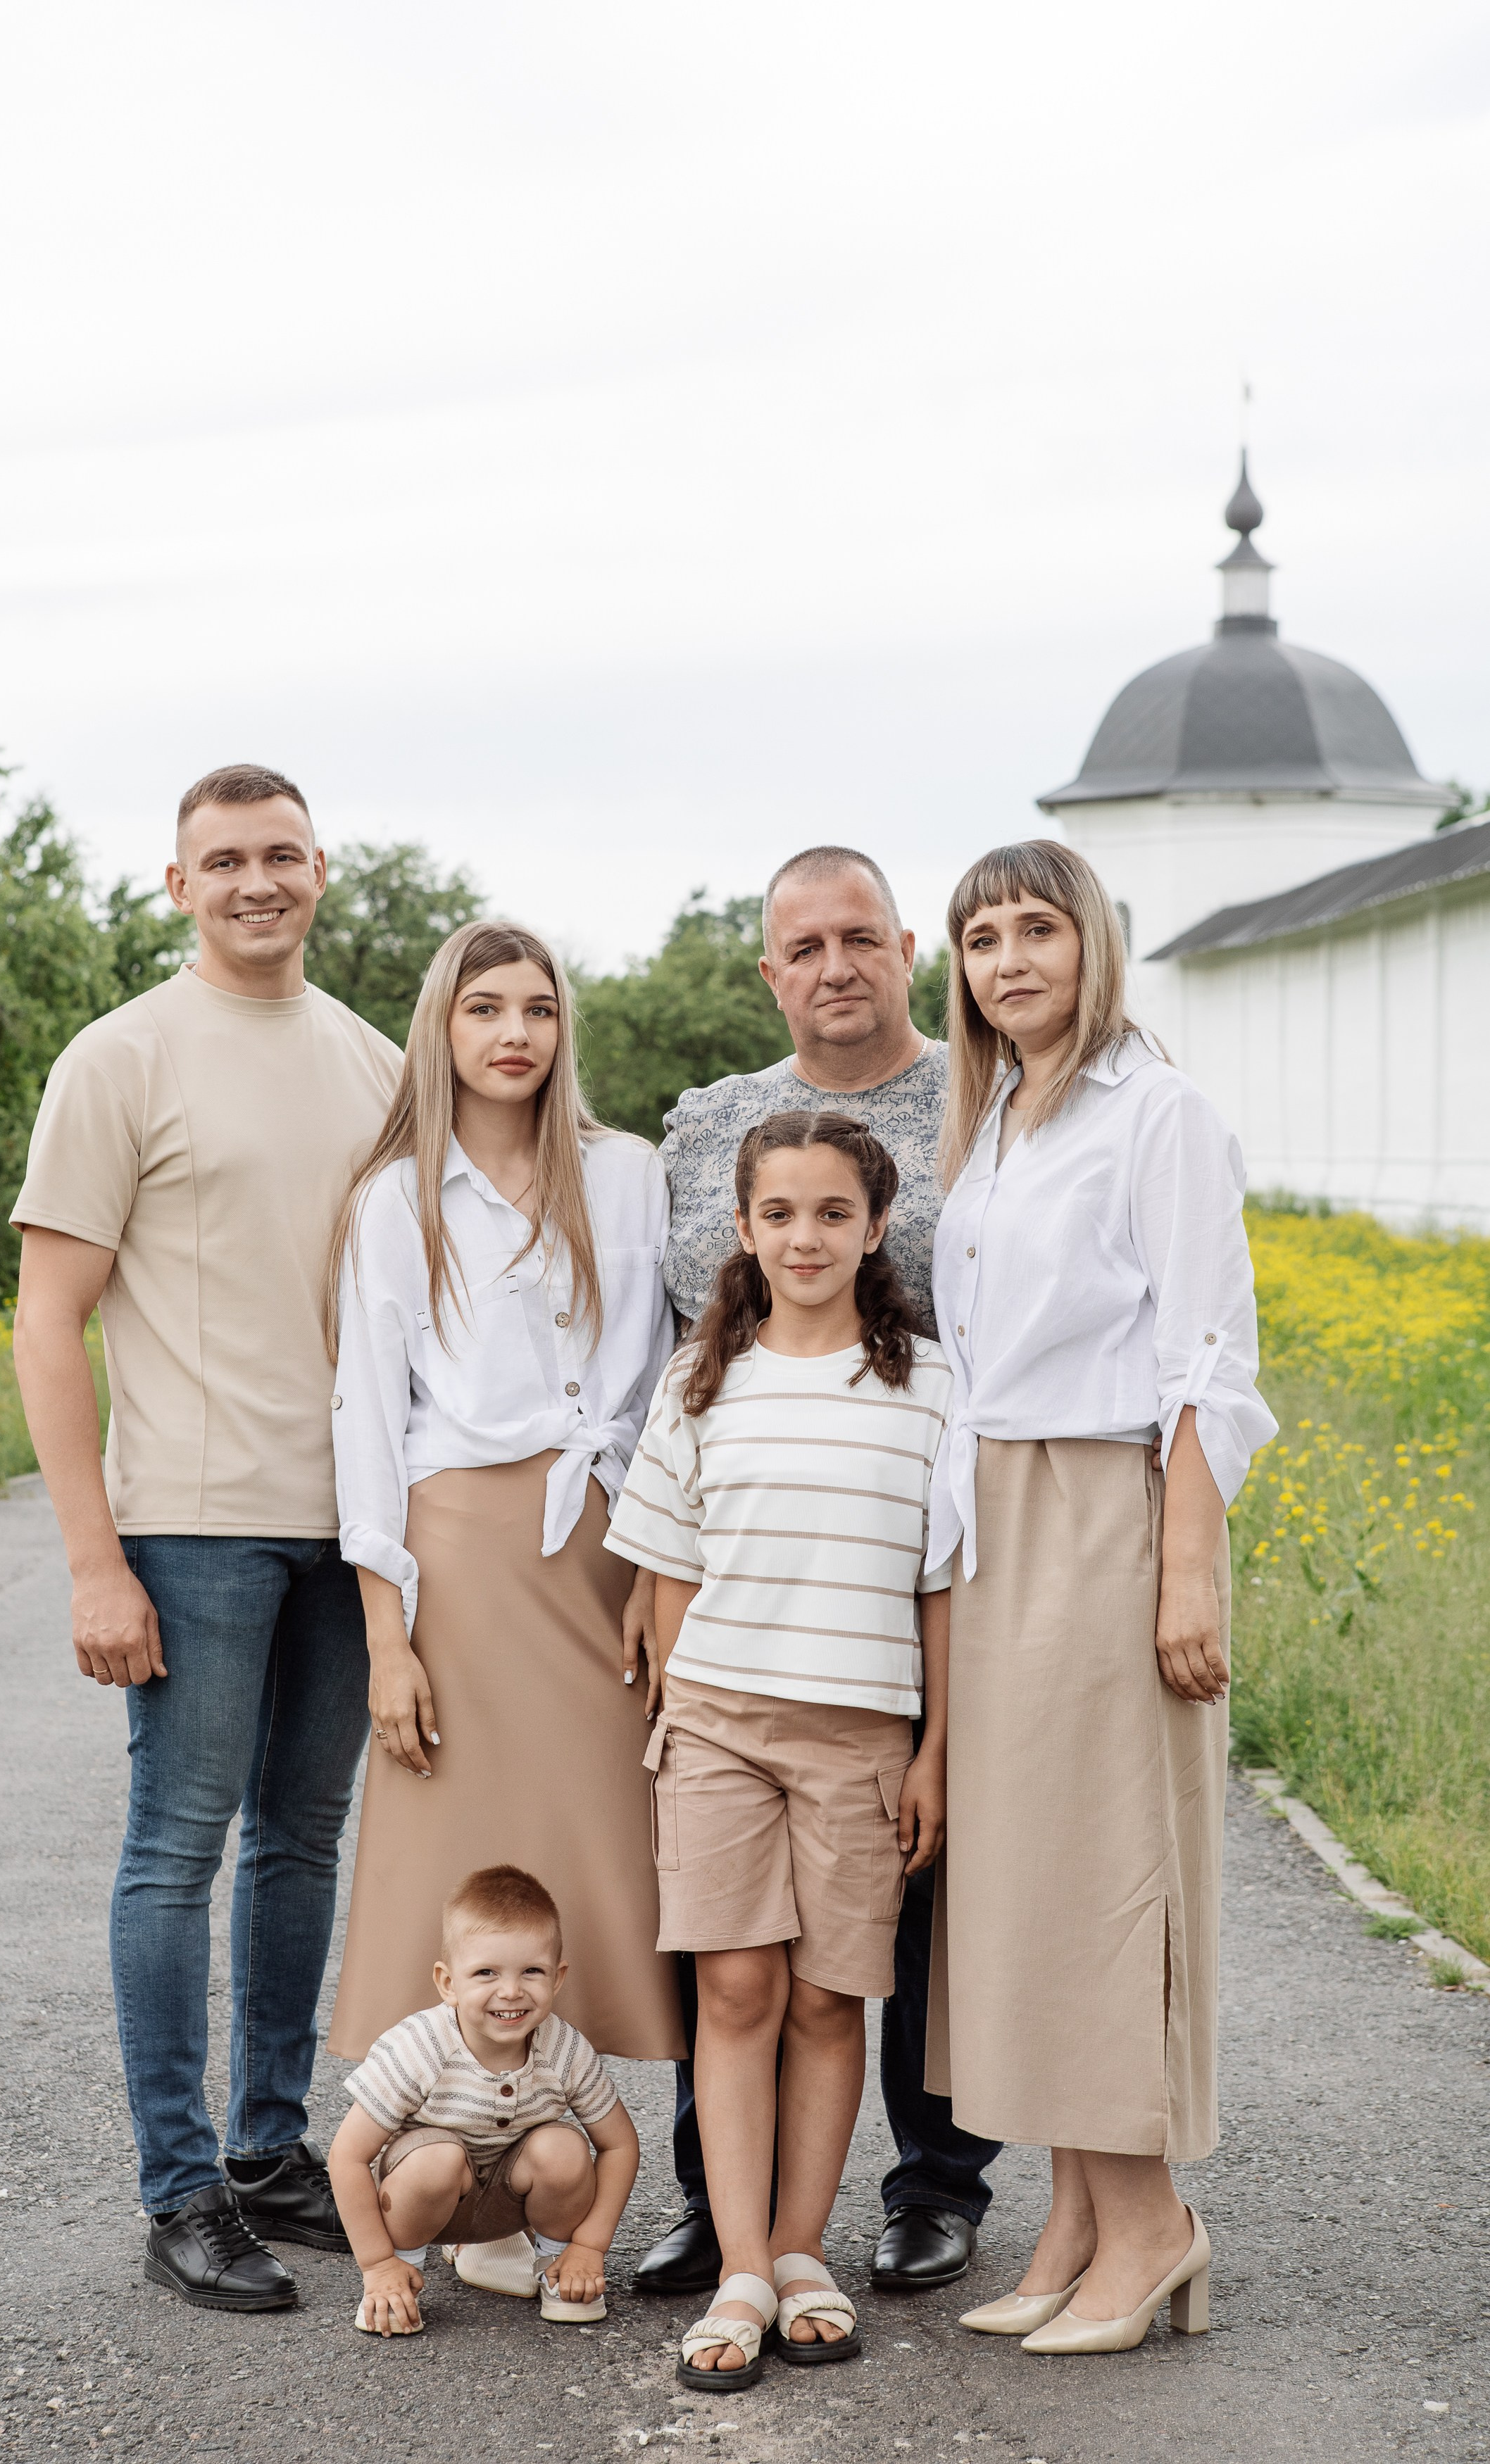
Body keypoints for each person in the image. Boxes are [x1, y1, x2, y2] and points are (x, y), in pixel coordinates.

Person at [11, 763, 403, 2311]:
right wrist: (90, 1556)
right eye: (224, 858)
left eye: (283, 854)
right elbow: (49, 1324)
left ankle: (266, 2148)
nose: (258, 879)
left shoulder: (377, 1062)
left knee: (302, 1841)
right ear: (176, 885)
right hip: (187, 1523)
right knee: (175, 1851)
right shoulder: (119, 1060)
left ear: (322, 872)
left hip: (347, 1523)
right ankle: (179, 2192)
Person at [927, 839, 1275, 2356]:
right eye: (981, 938)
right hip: (994, 1511)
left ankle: (1150, 2224)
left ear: (1092, 944)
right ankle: (1072, 2219)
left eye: (1034, 931)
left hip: (1097, 1503)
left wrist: (1182, 1564)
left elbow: (1206, 1348)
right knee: (1024, 1885)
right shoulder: (998, 1113)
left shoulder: (1159, 1111)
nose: (1007, 961)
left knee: (1099, 1871)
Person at [637, 843, 999, 2298]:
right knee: (725, 1946)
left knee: (879, 1930)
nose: (835, 963)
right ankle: (722, 2214)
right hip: (740, 1554)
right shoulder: (711, 1125)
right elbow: (665, 1338)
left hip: (907, 1529)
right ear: (769, 968)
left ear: (906, 945)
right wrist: (653, 1561)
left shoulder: (982, 1105)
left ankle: (927, 2183)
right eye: (805, 944)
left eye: (861, 936)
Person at [607, 1111, 953, 2389]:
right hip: (719, 1729)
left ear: (873, 1228)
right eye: (777, 1215)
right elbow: (667, 1580)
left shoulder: (926, 1388)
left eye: (830, 1215)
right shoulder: (704, 1382)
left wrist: (932, 1755)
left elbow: (940, 1591)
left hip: (861, 1735)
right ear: (741, 1230)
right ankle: (742, 2265)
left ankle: (804, 2249)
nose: (803, 1238)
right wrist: (677, 1722)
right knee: (737, 1995)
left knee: (825, 1998)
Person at [324, 917, 684, 2123]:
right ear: (442, 1027)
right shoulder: (393, 1198)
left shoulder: (628, 1172)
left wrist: (651, 1566)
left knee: (600, 1857)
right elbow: (366, 1420)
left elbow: (658, 1386)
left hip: (603, 1552)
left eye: (536, 1009)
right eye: (484, 1009)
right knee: (459, 1860)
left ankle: (560, 2161)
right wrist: (386, 1639)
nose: (513, 1033)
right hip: (460, 1565)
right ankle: (463, 2167)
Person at [328, 1864, 641, 2337]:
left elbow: (619, 2146)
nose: (511, 1991)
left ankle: (556, 2268)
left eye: (531, 1972)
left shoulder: (565, 2049)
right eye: (486, 1972)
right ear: (448, 1982)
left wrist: (589, 2247)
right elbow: (347, 2157)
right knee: (437, 2158)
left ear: (557, 1978)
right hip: (427, 2200)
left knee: (563, 2147)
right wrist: (376, 2264)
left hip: (512, 2197)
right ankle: (399, 2280)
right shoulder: (419, 2046)